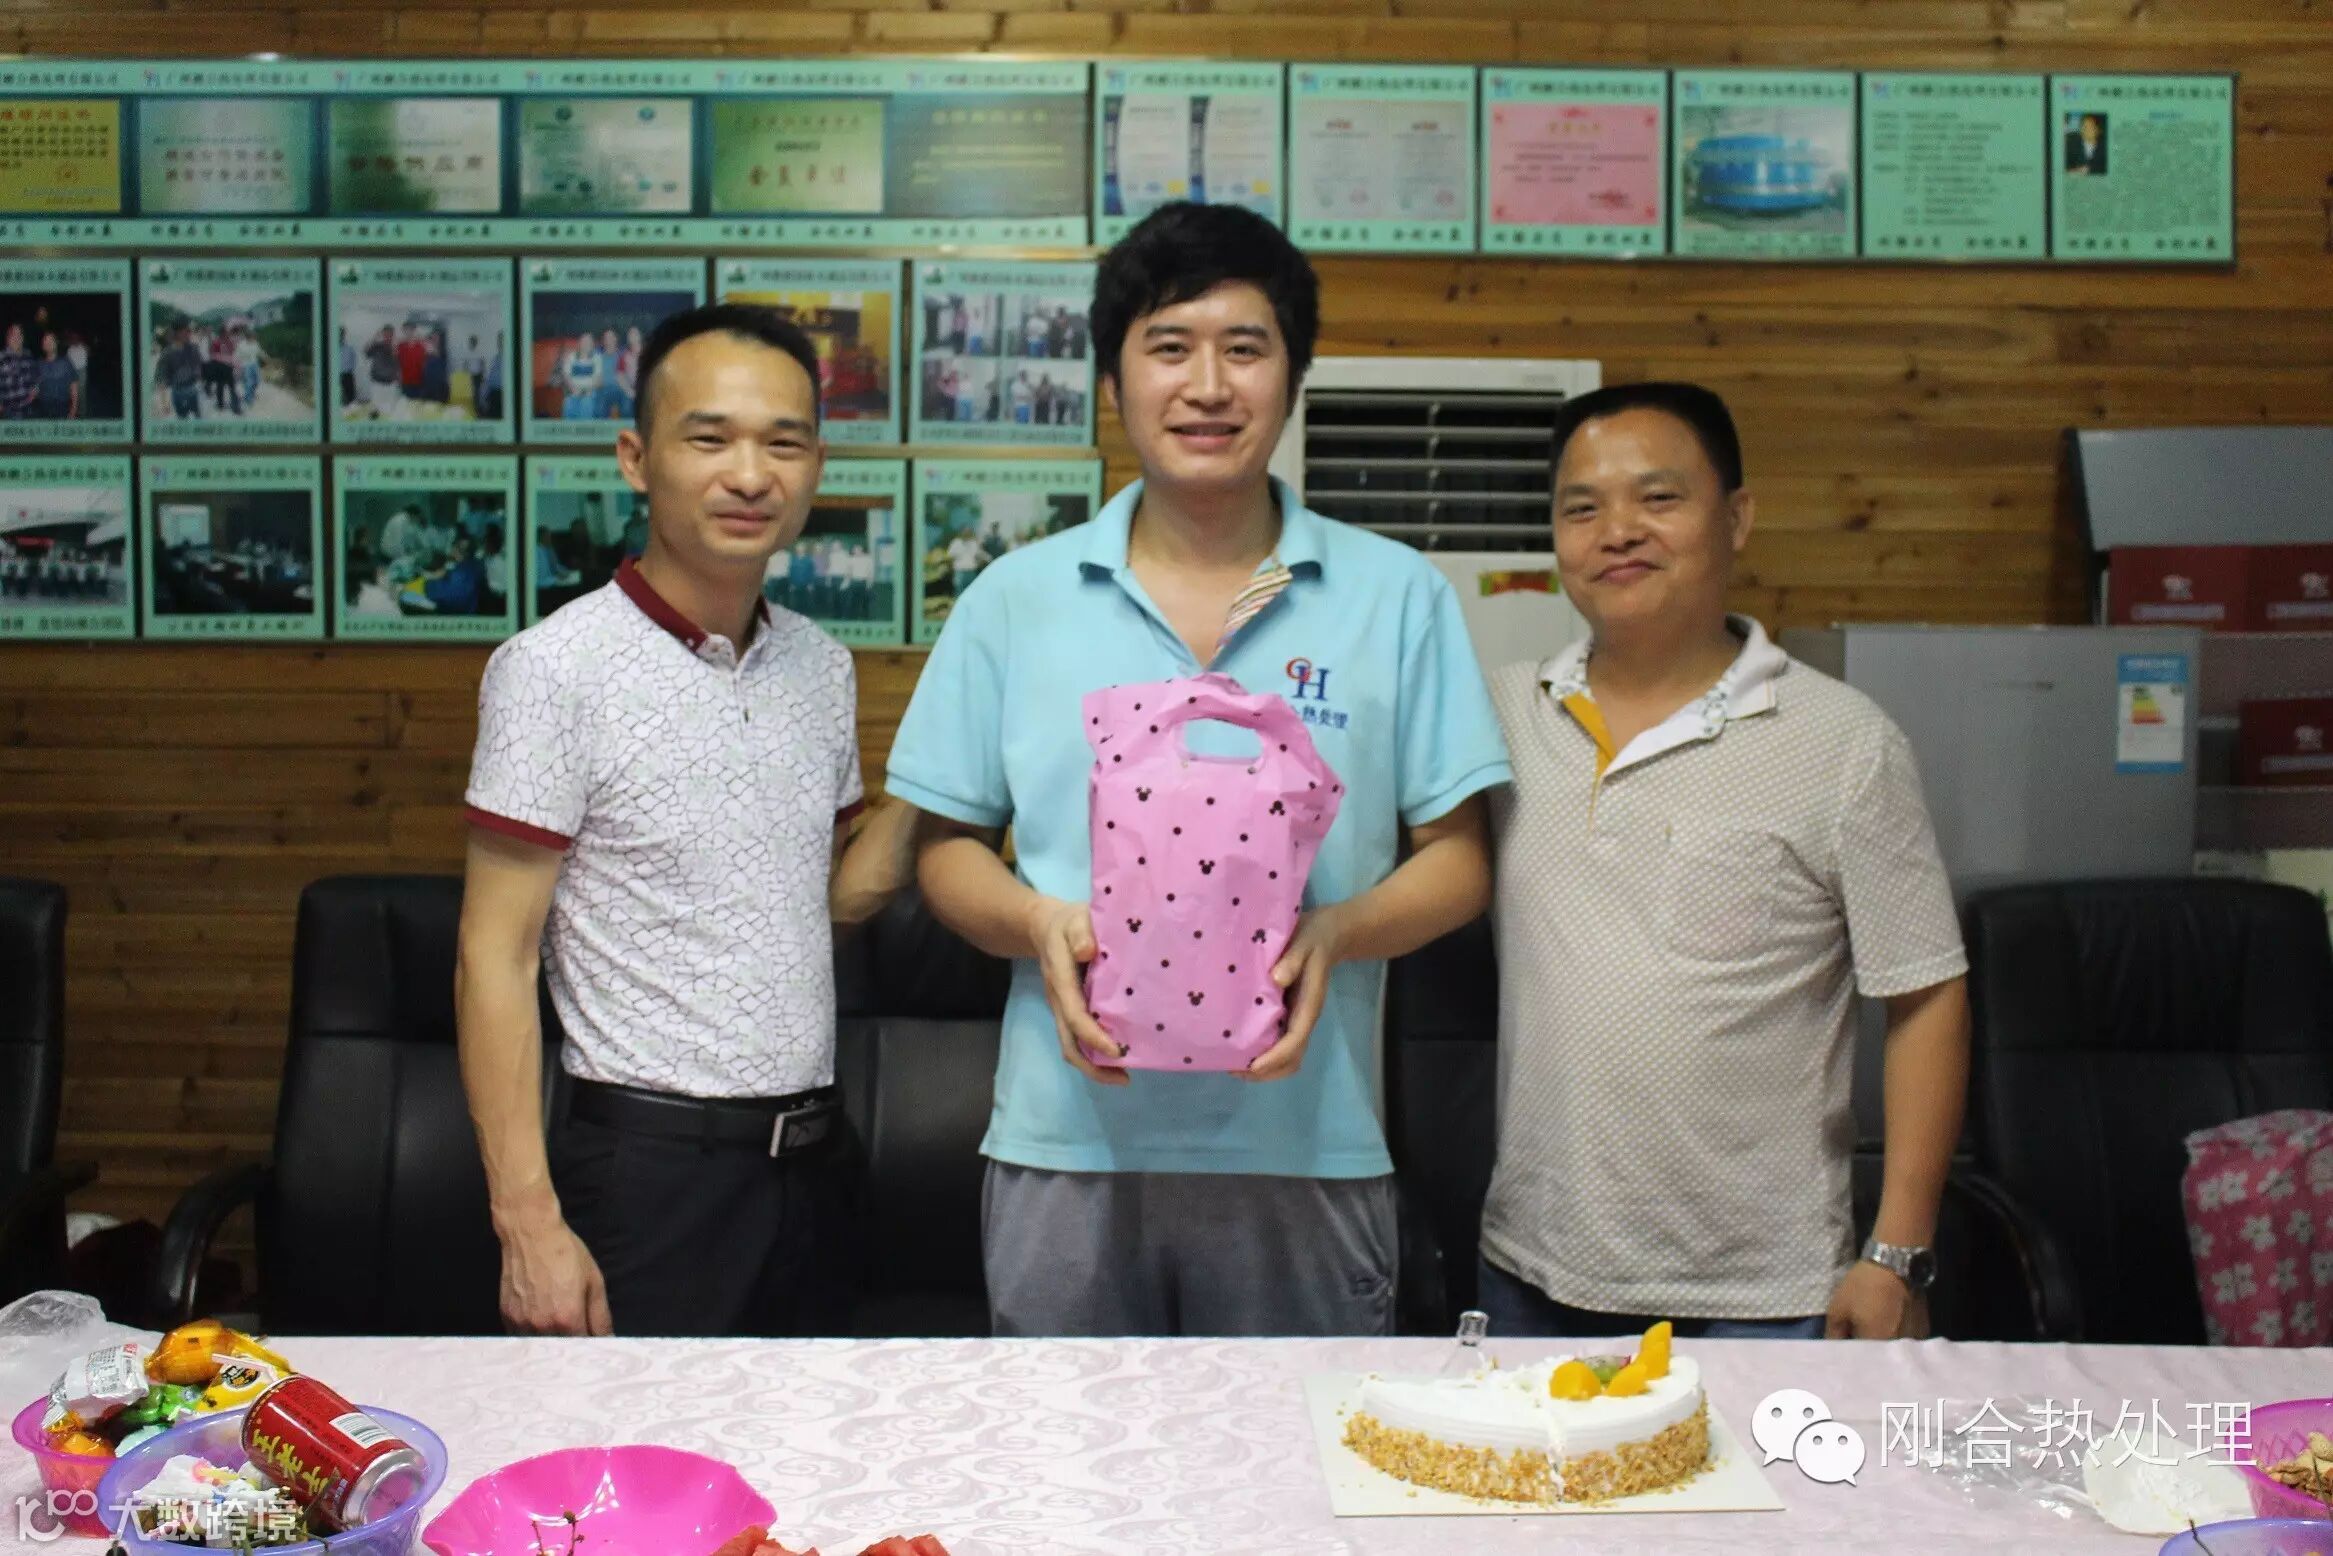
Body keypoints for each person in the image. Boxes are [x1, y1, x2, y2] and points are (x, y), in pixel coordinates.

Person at [885, 202, 1512, 1338]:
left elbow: (1459, 861)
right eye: (1169, 347)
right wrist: (1036, 921)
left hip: (1308, 1145)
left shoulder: (1395, 595)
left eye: (1245, 348)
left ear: (1293, 377)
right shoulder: (1014, 598)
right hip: (1065, 1143)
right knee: (1063, 1451)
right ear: (1113, 381)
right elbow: (944, 852)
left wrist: (1337, 931)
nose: (1208, 386)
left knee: (1293, 1453)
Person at [459, 303, 918, 1338]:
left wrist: (954, 788)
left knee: (818, 1440)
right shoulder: (553, 669)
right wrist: (527, 1222)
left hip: (816, 1166)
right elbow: (494, 953)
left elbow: (816, 900)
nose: (749, 475)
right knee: (637, 1447)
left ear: (815, 466)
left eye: (782, 443)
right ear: (636, 458)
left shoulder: (821, 666)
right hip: (648, 1177)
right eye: (709, 438)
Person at [1477, 382, 1971, 1343]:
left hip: (1766, 1295)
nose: (1617, 531)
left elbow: (1926, 995)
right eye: (1581, 509)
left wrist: (1896, 1253)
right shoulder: (1502, 717)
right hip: (1532, 1271)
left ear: (1736, 518)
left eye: (1657, 498)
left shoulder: (1842, 741)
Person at [157, 324, 204, 422]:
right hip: (178, 392)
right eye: (186, 331)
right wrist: (164, 402)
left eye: (189, 332)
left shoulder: (193, 348)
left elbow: (200, 368)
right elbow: (161, 379)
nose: (189, 334)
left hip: (193, 389)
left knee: (198, 418)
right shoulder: (167, 353)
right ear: (177, 333)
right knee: (183, 419)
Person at [31, 331, 78, 420]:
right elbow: (37, 385)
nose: (48, 343)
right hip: (43, 408)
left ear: (56, 343)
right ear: (42, 345)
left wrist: (73, 410)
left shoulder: (65, 362)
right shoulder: (39, 364)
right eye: (45, 341)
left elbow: (74, 386)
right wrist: (31, 396)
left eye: (51, 340)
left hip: (62, 408)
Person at [1, 323, 41, 419]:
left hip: (30, 410)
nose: (17, 337)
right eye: (13, 334)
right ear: (7, 338)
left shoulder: (28, 355)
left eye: (19, 334)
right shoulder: (1, 357)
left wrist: (36, 389)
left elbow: (37, 377)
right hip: (9, 411)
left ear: (23, 338)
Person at [364, 326, 401, 418]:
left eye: (390, 334)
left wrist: (395, 350)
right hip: (377, 383)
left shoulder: (397, 347)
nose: (387, 336)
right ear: (382, 334)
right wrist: (373, 339)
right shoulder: (376, 345)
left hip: (391, 383)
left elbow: (399, 364)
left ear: (393, 335)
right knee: (376, 410)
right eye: (385, 334)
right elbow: (366, 353)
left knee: (390, 410)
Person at [945, 525, 989, 599]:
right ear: (961, 532)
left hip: (971, 571)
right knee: (959, 592)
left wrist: (985, 560)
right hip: (960, 572)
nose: (967, 533)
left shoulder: (973, 543)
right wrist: (951, 569)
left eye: (968, 532)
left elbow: (979, 555)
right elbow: (950, 557)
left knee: (972, 593)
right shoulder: (955, 543)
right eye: (965, 532)